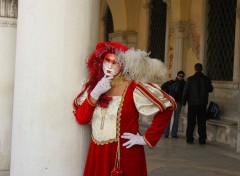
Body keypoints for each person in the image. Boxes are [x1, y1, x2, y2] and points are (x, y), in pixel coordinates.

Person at [72, 42, 177, 176]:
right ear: (101, 61)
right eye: (107, 60)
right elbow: (81, 118)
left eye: (115, 62)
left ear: (122, 65)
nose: (109, 65)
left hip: (124, 156)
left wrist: (146, 138)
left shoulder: (133, 88)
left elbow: (168, 106)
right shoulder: (93, 87)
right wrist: (95, 93)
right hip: (97, 154)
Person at [182, 63, 213, 144]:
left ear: (195, 69)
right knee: (202, 122)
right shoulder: (207, 79)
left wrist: (184, 102)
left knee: (191, 122)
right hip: (202, 104)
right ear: (201, 69)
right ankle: (202, 139)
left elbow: (185, 92)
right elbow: (210, 89)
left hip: (192, 104)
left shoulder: (190, 79)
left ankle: (189, 139)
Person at [161, 71, 186, 138]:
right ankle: (166, 133)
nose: (181, 77)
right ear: (177, 76)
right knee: (168, 117)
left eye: (182, 76)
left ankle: (174, 133)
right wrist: (167, 94)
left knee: (176, 118)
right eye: (179, 76)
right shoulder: (172, 82)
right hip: (171, 101)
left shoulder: (184, 84)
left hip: (178, 102)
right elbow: (163, 86)